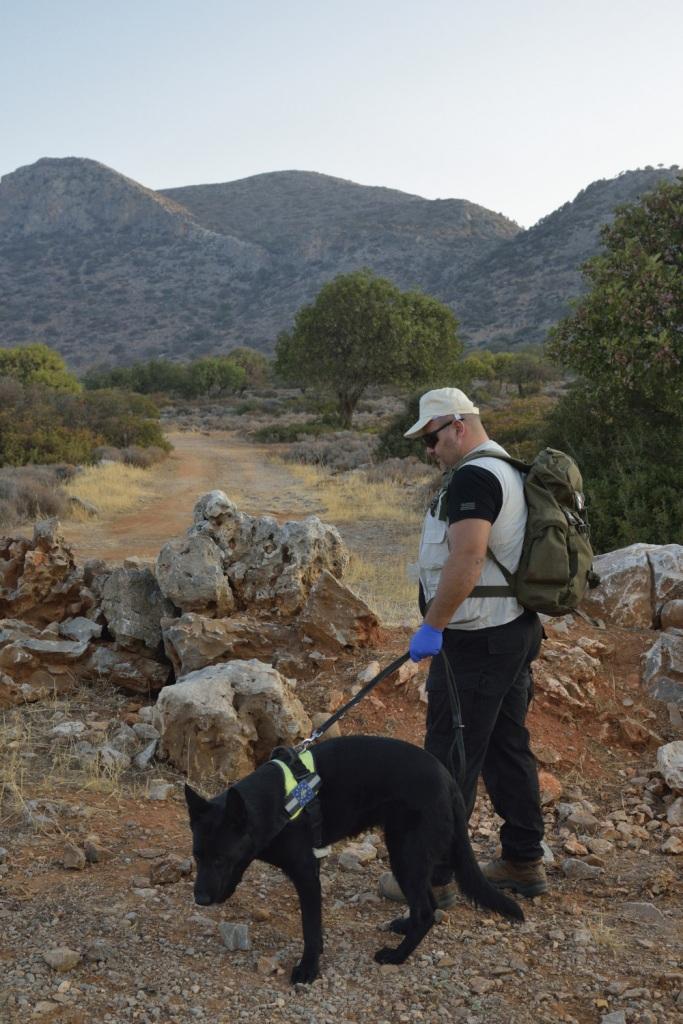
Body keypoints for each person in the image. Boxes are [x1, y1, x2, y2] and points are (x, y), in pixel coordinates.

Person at [379, 387, 547, 907]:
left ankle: (432, 876)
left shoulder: (476, 477)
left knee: (450, 755)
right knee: (504, 746)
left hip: (477, 639)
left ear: (456, 425)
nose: (429, 451)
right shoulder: (505, 470)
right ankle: (521, 859)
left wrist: (433, 625)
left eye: (431, 439)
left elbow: (468, 559)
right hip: (511, 631)